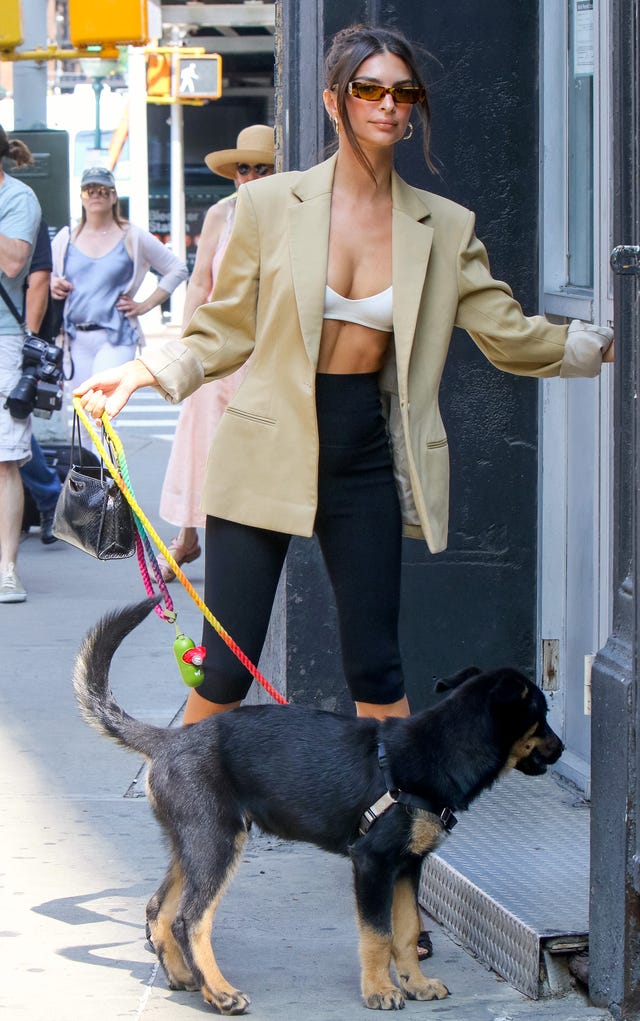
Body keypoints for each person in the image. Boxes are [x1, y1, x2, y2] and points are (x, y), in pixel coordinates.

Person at [75, 24, 614, 728]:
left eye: (402, 92)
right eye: (369, 90)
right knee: (228, 664)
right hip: (264, 444)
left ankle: (395, 818)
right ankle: (182, 793)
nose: (387, 105)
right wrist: (142, 371)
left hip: (362, 451)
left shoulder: (442, 227)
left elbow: (507, 334)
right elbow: (224, 327)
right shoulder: (270, 208)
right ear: (336, 102)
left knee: (376, 660)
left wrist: (606, 346)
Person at [157, 124, 275, 582]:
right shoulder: (220, 214)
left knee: (253, 445)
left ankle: (245, 539)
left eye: (261, 168)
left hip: (264, 346)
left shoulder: (285, 215)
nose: (248, 177)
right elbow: (200, 283)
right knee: (199, 437)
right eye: (242, 168)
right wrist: (189, 347)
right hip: (218, 344)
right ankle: (187, 537)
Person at [50, 167, 188, 397]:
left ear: (114, 197)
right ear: (82, 197)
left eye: (103, 190)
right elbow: (47, 278)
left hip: (115, 336)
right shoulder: (66, 237)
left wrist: (144, 306)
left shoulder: (132, 235)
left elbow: (177, 269)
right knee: (81, 411)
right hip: (74, 338)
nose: (95, 195)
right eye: (89, 190)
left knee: (98, 404)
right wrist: (53, 284)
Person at [0, 126, 41, 603]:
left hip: (5, 341)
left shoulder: (19, 197)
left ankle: (7, 567)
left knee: (5, 459)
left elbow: (14, 263)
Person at [19, 219, 62, 544]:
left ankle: (49, 496)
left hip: (14, 338)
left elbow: (40, 280)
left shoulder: (24, 207)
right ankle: (47, 497)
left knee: (11, 427)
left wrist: (30, 344)